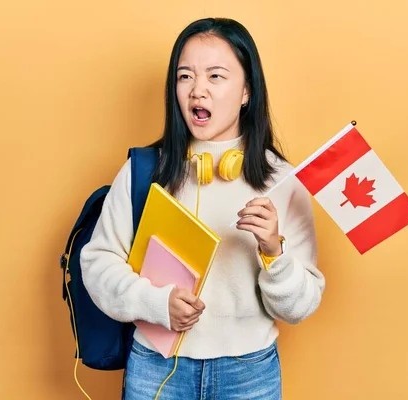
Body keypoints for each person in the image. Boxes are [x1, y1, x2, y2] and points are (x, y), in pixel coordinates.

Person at [80, 17, 325, 400]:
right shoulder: (146, 170)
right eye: (185, 77)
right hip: (156, 367)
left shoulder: (283, 180)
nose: (198, 91)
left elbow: (299, 307)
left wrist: (274, 253)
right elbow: (96, 265)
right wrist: (156, 304)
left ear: (246, 91)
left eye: (215, 76)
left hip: (250, 374)